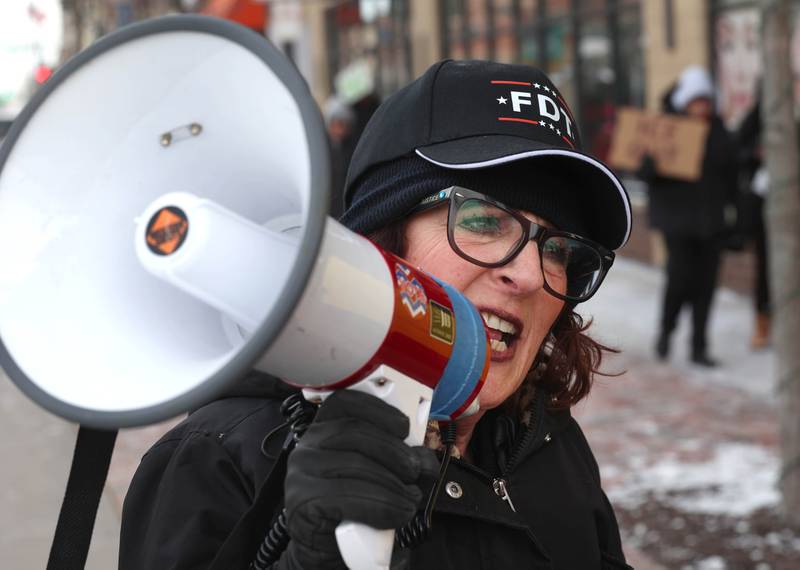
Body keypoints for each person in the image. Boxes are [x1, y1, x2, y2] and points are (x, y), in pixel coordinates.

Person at [120, 60, 634, 569]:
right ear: (380, 246)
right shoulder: (221, 459)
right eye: (482, 219)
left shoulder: (544, 437)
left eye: (559, 249)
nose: (527, 275)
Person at [640, 66, 739, 367]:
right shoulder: (668, 129)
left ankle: (699, 346)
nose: (701, 108)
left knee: (706, 285)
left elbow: (731, 177)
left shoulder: (720, 132)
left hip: (711, 222)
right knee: (680, 280)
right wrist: (652, 166)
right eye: (696, 102)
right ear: (685, 102)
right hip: (679, 222)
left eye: (706, 102)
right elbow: (646, 175)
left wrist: (736, 218)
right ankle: (666, 332)